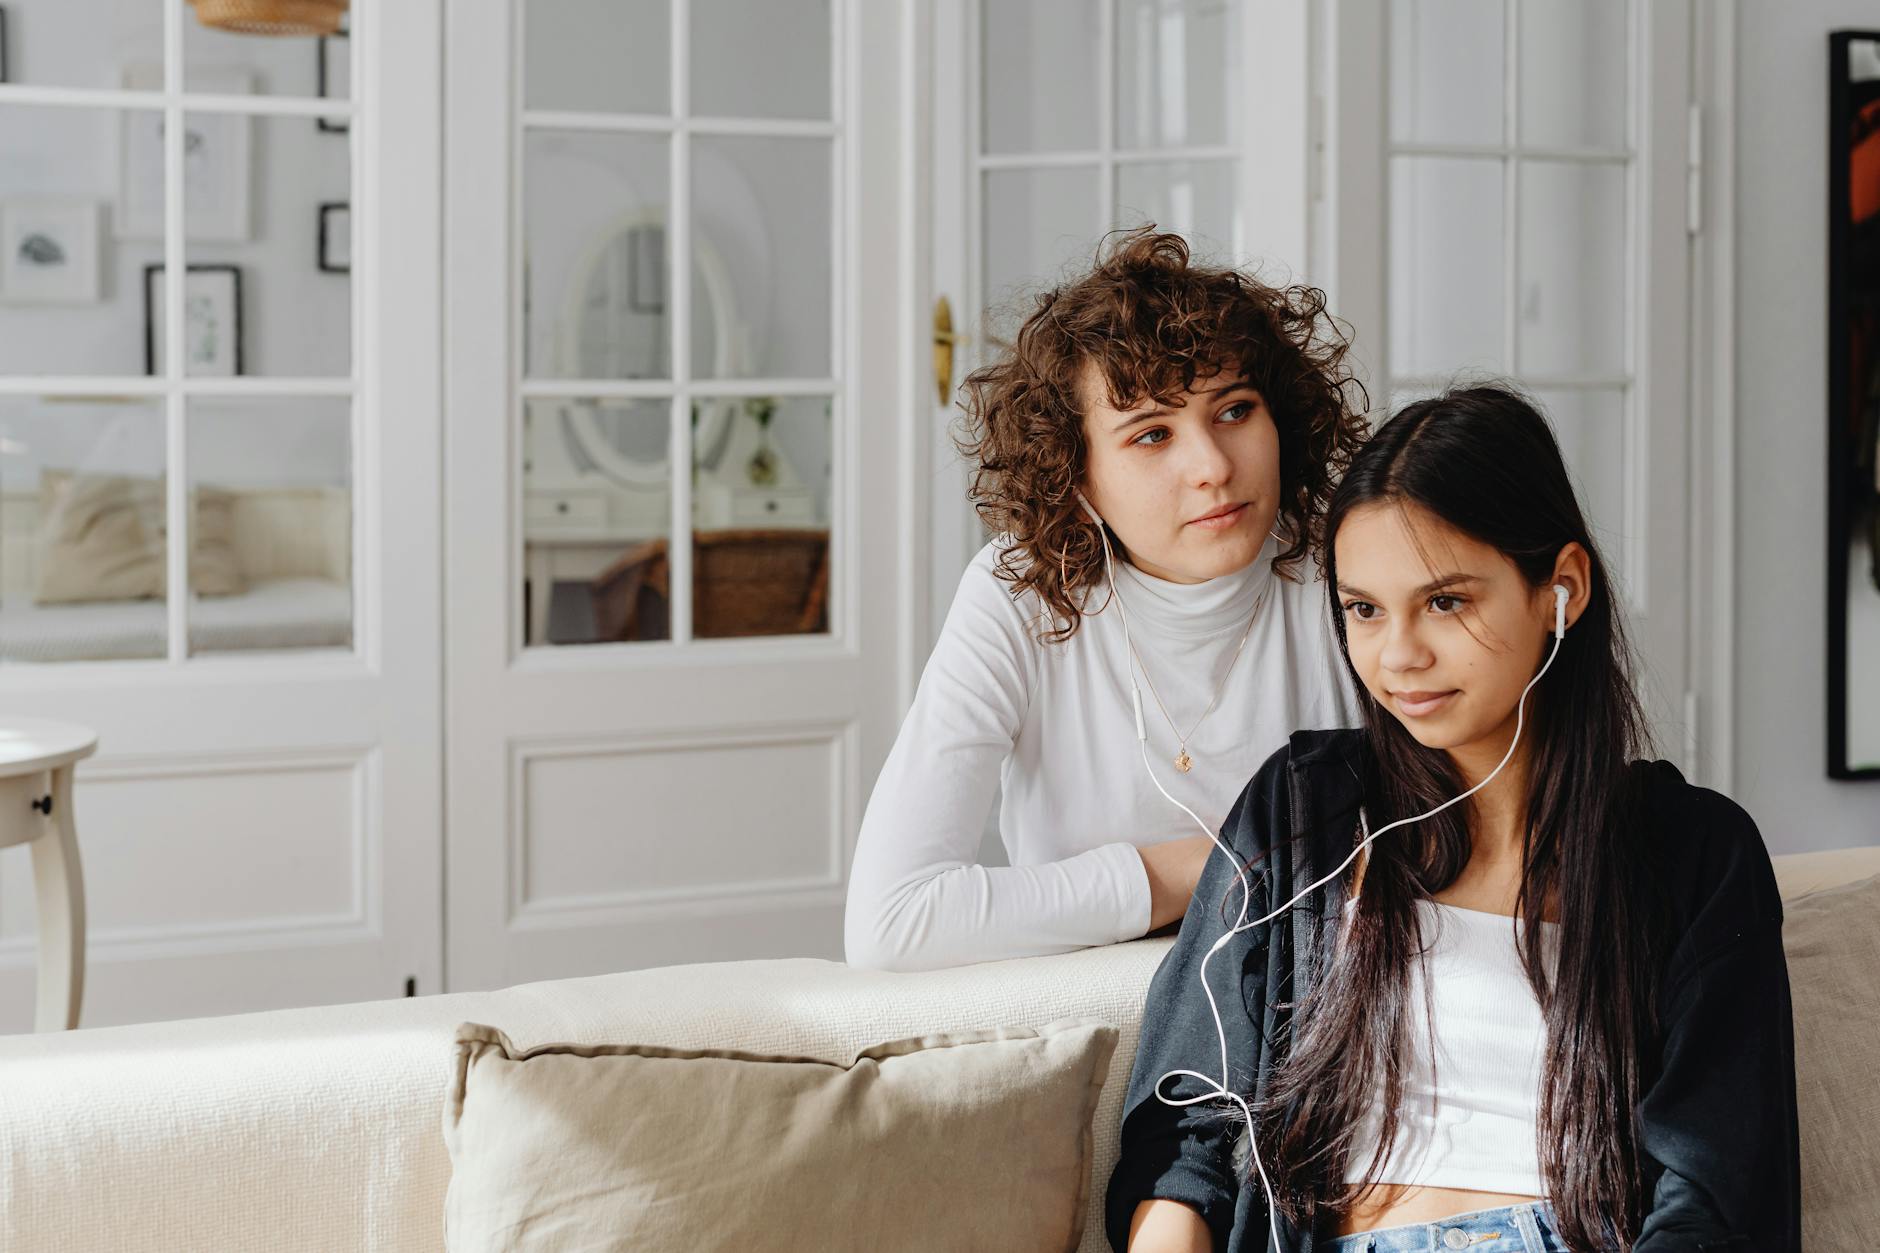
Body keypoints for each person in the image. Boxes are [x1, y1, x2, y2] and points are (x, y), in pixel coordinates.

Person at [1108, 385, 1800, 1253]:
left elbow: (1714, 1199)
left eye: (1444, 601)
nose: (1398, 655)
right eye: (1364, 609)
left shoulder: (1694, 853)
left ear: (1563, 590)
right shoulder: (1303, 813)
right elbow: (1189, 1133)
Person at [843, 230, 1368, 972]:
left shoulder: (1350, 571)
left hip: (1317, 1025)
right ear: (1076, 474)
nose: (1212, 467)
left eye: (1234, 410)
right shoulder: (1018, 593)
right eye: (1152, 434)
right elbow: (891, 921)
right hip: (1085, 1036)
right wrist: (1209, 865)